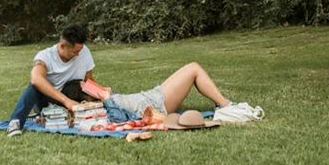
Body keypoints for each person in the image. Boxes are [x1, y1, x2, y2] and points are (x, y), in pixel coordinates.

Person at [7, 24, 96, 137]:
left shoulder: (83, 51)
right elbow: (36, 78)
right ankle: (16, 122)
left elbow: (88, 80)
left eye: (80, 51)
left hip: (71, 95)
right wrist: (66, 101)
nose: (78, 55)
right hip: (49, 100)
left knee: (80, 84)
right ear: (62, 46)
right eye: (74, 52)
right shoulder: (45, 56)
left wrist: (103, 94)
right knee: (34, 87)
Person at [84, 62, 235, 120]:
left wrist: (107, 94)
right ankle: (227, 106)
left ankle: (224, 104)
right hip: (157, 104)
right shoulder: (104, 106)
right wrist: (107, 98)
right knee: (193, 69)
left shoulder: (101, 104)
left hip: (153, 97)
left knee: (192, 68)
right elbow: (118, 119)